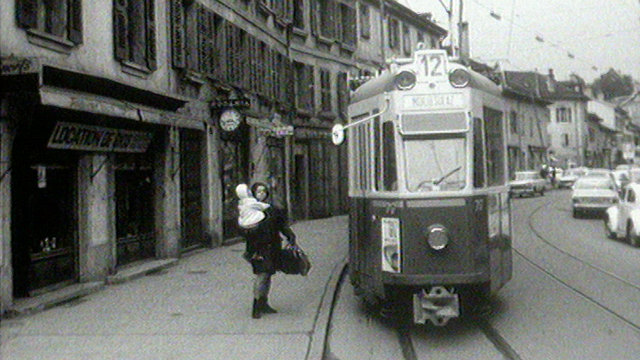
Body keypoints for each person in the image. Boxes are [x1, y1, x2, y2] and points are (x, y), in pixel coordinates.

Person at [238, 182, 296, 319]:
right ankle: (256, 305)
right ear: (253, 194)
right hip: (257, 248)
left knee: (268, 274)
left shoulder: (271, 209)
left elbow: (281, 225)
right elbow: (242, 231)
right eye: (258, 192)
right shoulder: (248, 210)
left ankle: (264, 302)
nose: (262, 194)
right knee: (262, 274)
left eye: (264, 191)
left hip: (273, 246)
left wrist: (291, 236)